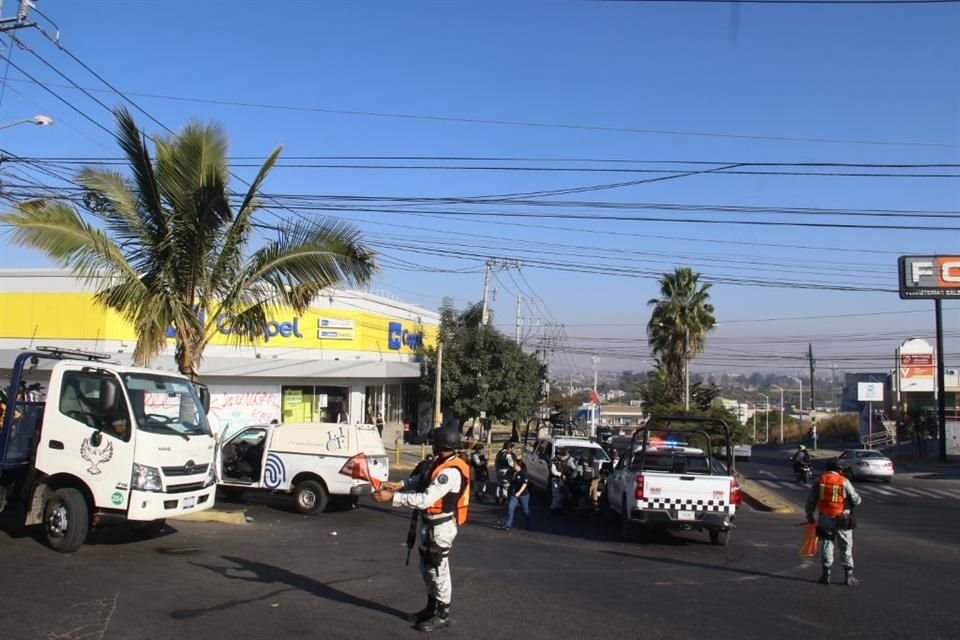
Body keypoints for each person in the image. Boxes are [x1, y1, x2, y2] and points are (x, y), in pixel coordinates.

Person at [372, 428, 470, 632]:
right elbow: (420, 480)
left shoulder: (450, 472)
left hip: (440, 526)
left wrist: (393, 498)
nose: (431, 444)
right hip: (428, 524)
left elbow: (426, 498)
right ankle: (431, 607)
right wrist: (398, 485)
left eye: (434, 442)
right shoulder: (438, 464)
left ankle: (443, 614)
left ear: (442, 445)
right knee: (426, 569)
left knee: (438, 570)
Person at [805, 458, 862, 586]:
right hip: (842, 518)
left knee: (827, 544)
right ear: (840, 469)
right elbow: (856, 499)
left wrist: (809, 515)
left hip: (825, 518)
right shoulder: (844, 481)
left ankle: (826, 574)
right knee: (846, 546)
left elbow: (811, 501)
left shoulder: (819, 480)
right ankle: (849, 576)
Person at [497, 458, 531, 530]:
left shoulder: (523, 473)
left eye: (515, 464)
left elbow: (524, 484)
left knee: (525, 510)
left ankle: (528, 524)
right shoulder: (513, 472)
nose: (513, 465)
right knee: (510, 508)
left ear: (519, 466)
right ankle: (508, 525)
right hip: (514, 494)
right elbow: (509, 480)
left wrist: (519, 492)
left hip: (523, 495)